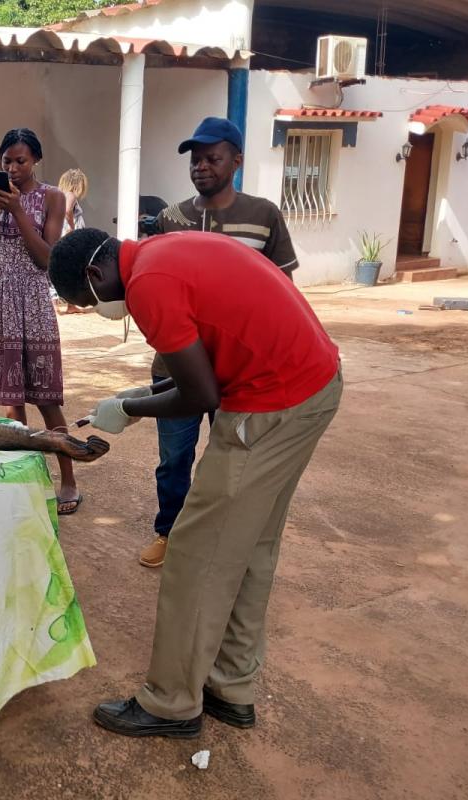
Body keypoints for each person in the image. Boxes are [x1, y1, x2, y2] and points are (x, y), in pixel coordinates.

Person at [49, 227, 341, 739]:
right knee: (250, 546)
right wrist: (142, 392)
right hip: (313, 384)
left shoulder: (147, 287)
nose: (95, 309)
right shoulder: (163, 249)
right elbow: (208, 353)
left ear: (95, 276)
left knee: (194, 552)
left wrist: (130, 409)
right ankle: (231, 687)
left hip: (271, 403)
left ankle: (170, 703)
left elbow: (200, 393)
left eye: (85, 302)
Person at [138, 116, 300, 569]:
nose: (201, 167)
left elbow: (283, 293)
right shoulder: (172, 219)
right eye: (196, 160)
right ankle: (169, 533)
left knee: (230, 461)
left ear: (237, 160)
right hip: (175, 366)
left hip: (238, 373)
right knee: (173, 460)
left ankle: (219, 540)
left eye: (212, 158)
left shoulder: (264, 215)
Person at [0, 128, 81, 515]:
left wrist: (19, 210)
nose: (13, 168)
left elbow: (46, 258)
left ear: (35, 159)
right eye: (6, 161)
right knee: (12, 403)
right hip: (1, 300)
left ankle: (68, 479)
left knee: (48, 398)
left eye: (20, 160)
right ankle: (26, 483)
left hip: (35, 300)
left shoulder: (53, 197)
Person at [56, 168, 90, 314]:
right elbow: (67, 211)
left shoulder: (59, 196)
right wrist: (71, 227)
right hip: (68, 236)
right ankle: (69, 304)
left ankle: (67, 304)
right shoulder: (70, 194)